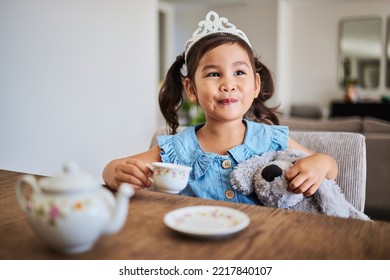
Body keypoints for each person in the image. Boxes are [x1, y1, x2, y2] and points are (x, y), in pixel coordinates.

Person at [103, 11, 337, 205]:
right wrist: (114, 173)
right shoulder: (177, 149)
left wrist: (322, 163)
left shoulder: (270, 139)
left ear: (256, 84)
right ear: (191, 89)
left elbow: (331, 169)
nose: (228, 85)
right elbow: (113, 168)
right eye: (214, 74)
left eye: (239, 72)